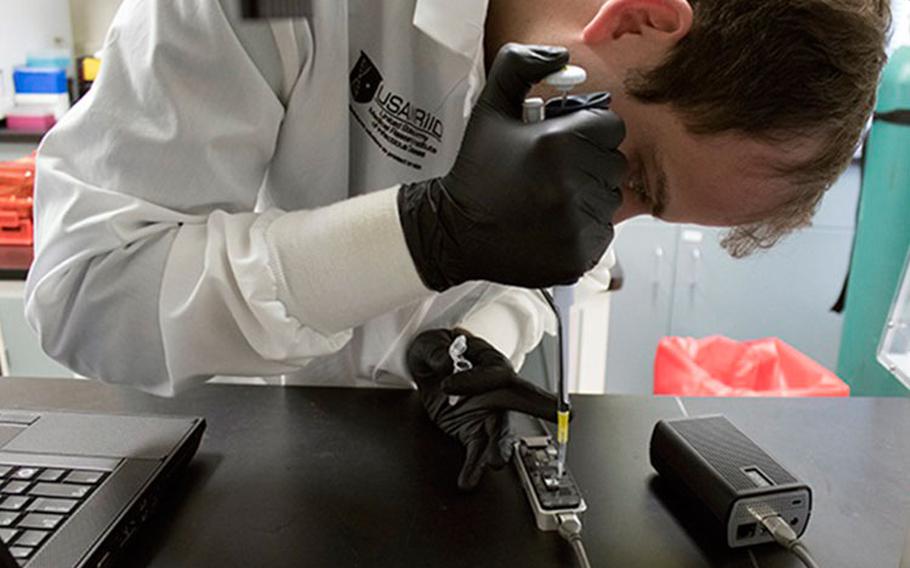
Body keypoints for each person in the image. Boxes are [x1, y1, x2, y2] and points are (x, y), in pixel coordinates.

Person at [25, 0, 890, 489]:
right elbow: (87, 292)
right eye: (636, 179)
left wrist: (482, 337)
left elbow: (536, 268)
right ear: (635, 21)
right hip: (208, 472)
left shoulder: (593, 101)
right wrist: (419, 233)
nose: (601, 227)